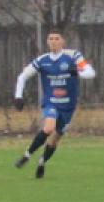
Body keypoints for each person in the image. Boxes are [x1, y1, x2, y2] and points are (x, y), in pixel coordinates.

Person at [13, 29, 96, 178]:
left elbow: (90, 72)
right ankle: (27, 155)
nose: (53, 41)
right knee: (49, 127)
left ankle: (42, 161)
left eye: (57, 38)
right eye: (50, 38)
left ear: (62, 41)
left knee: (55, 138)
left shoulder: (73, 56)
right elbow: (22, 76)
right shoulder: (42, 60)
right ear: (47, 42)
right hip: (51, 102)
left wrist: (78, 72)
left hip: (68, 105)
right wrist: (18, 96)